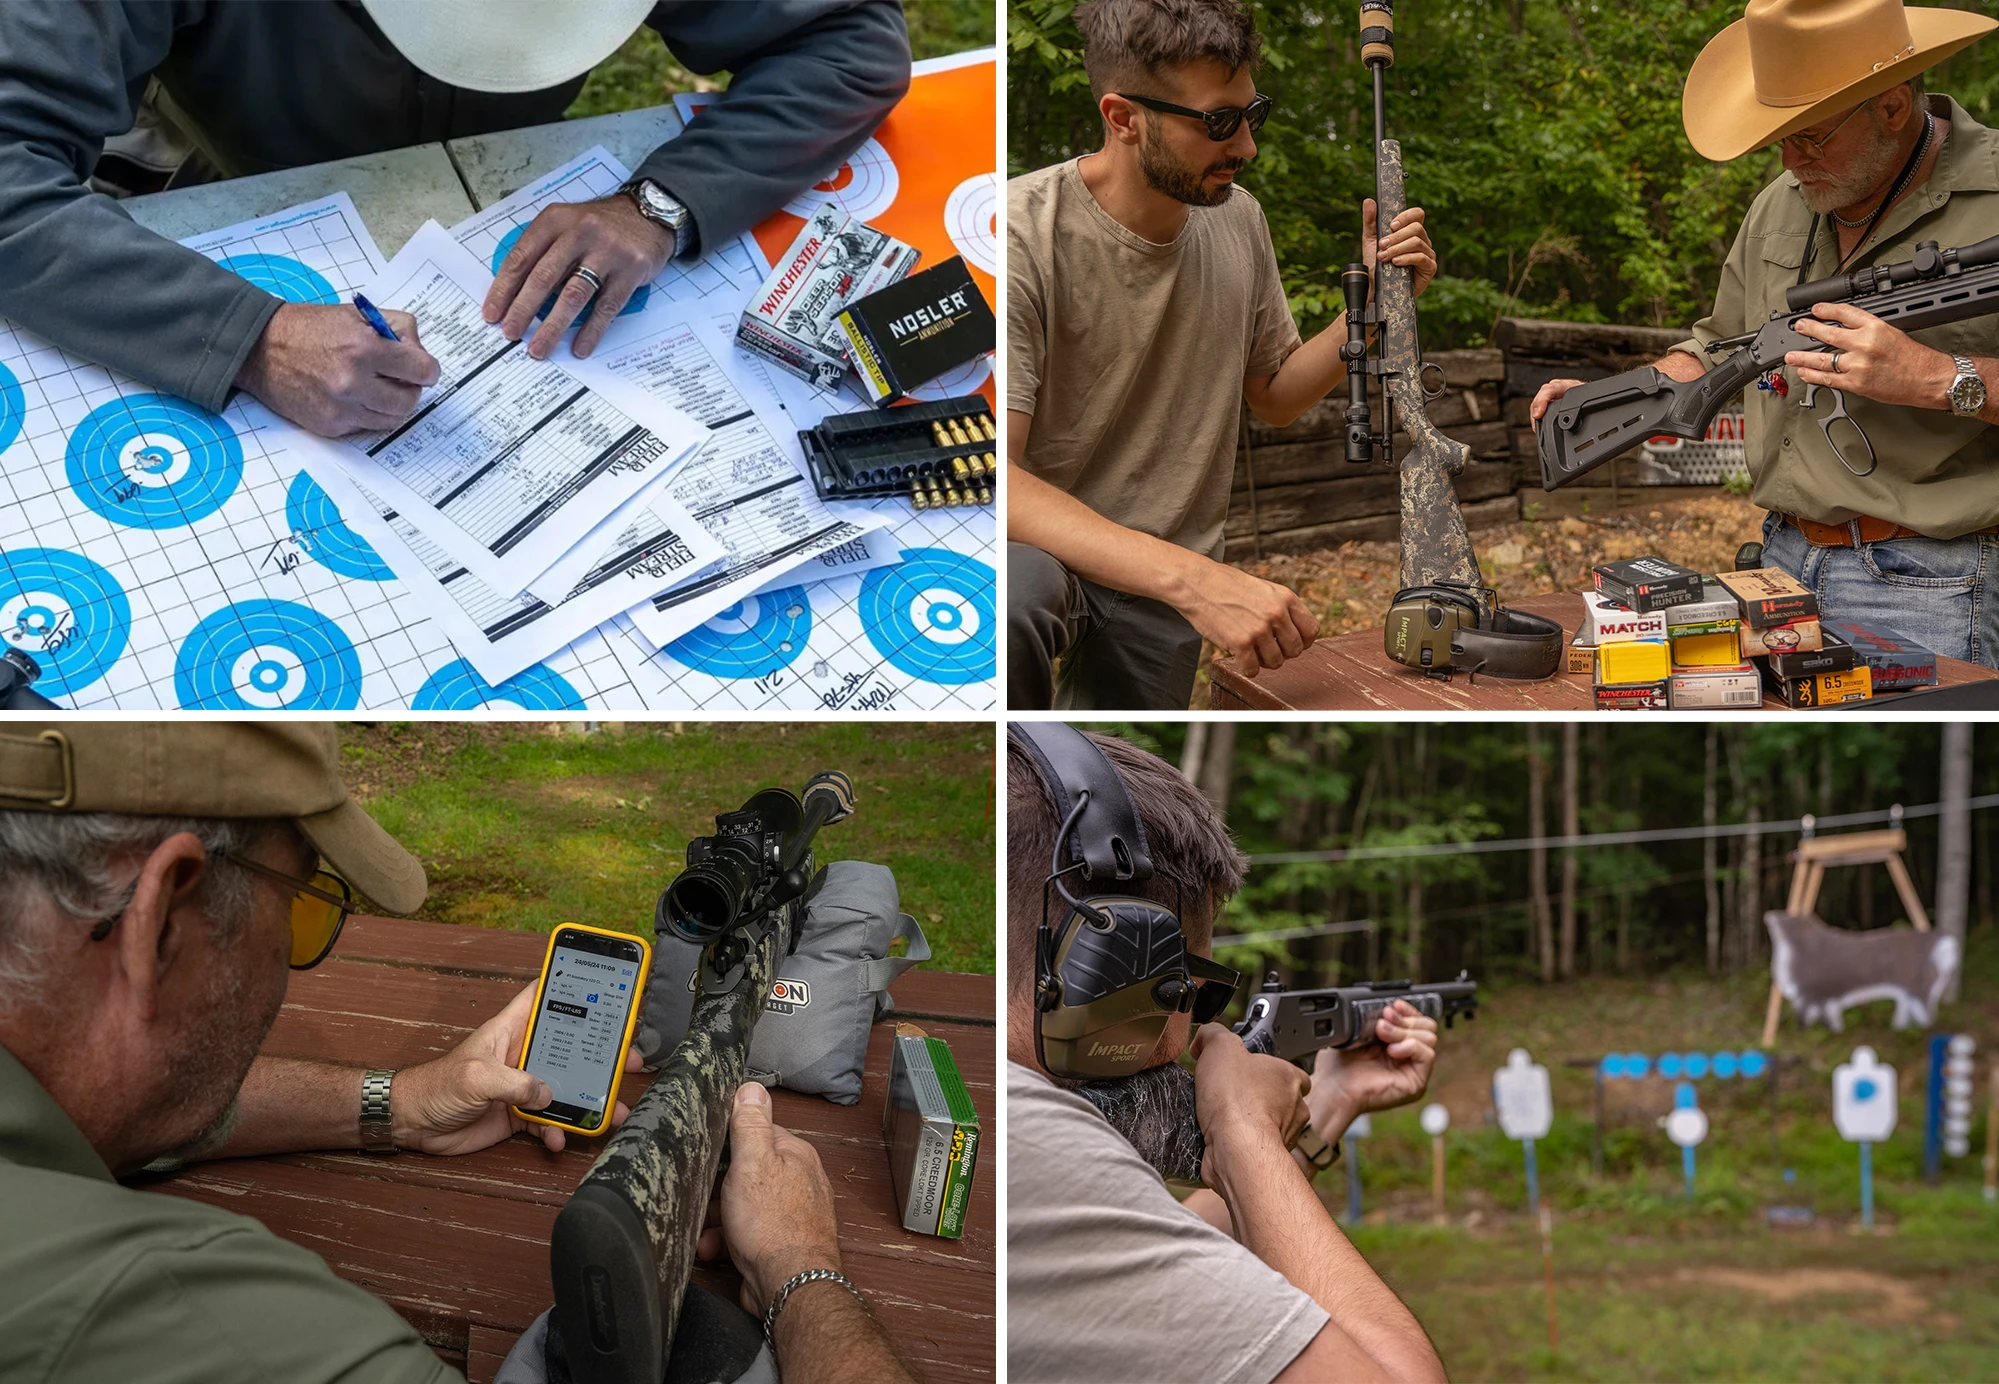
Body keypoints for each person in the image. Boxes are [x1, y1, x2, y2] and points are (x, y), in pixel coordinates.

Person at [0, 722, 910, 1384]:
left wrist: (398, 1104)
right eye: (308, 908)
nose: (294, 960)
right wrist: (801, 1266)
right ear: (159, 924)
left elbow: (93, 1094)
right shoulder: (224, 1326)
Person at [0, 0, 910, 437]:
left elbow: (849, 41)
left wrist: (661, 204)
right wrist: (244, 337)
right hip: (221, 181)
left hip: (494, 195)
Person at [1532, 0, 1999, 667]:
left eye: (1810, 135)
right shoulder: (1783, 199)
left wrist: (1940, 378)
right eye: (1778, 137)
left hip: (1930, 581)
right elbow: (1718, 343)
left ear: (1892, 107)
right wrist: (1617, 399)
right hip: (1776, 564)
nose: (1789, 158)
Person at [1007, 0, 1439, 711]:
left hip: (1163, 580)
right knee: (1016, 597)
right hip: (1050, 554)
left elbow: (1274, 393)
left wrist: (1373, 311)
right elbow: (1004, 484)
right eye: (1217, 122)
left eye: (1250, 113)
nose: (1246, 147)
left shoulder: (1236, 218)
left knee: (1121, 771)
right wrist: (1197, 581)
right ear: (1122, 119)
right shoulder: (1022, 232)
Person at [1006, 727, 1449, 1383]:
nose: (1190, 1033)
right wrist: (1243, 1131)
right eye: (1189, 987)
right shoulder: (1036, 1140)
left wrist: (1324, 1106)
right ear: (1107, 970)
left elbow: (1153, 1256)